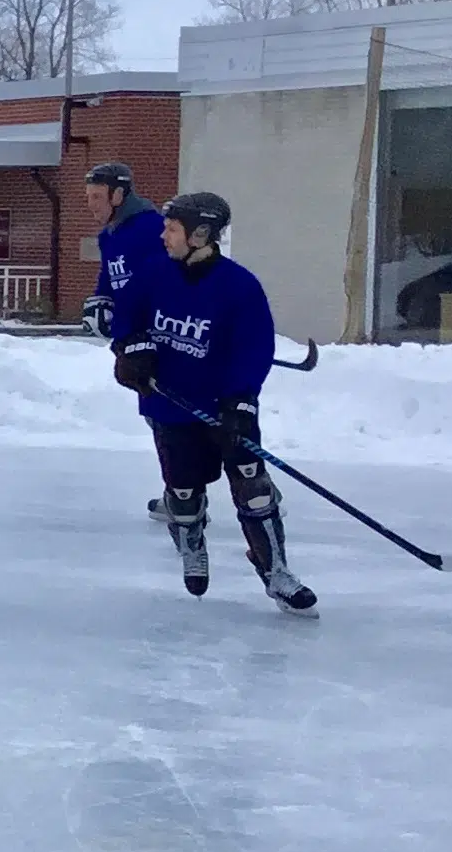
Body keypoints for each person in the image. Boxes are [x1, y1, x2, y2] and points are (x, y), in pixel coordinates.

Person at [110, 191, 317, 616]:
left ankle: (275, 570)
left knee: (254, 489)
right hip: (170, 407)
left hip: (224, 409)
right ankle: (192, 545)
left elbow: (253, 348)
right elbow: (126, 320)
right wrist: (132, 351)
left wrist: (240, 401)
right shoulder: (152, 275)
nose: (164, 235)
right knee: (183, 493)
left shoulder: (239, 286)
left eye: (172, 228)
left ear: (200, 234)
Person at [81, 160, 174, 520]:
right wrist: (100, 300)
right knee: (160, 417)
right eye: (87, 196)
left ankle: (247, 484)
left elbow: (164, 281)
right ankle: (183, 491)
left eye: (97, 196)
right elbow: (111, 277)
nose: (91, 204)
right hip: (135, 341)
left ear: (119, 195)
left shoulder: (152, 229)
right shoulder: (110, 235)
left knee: (176, 418)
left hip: (160, 340)